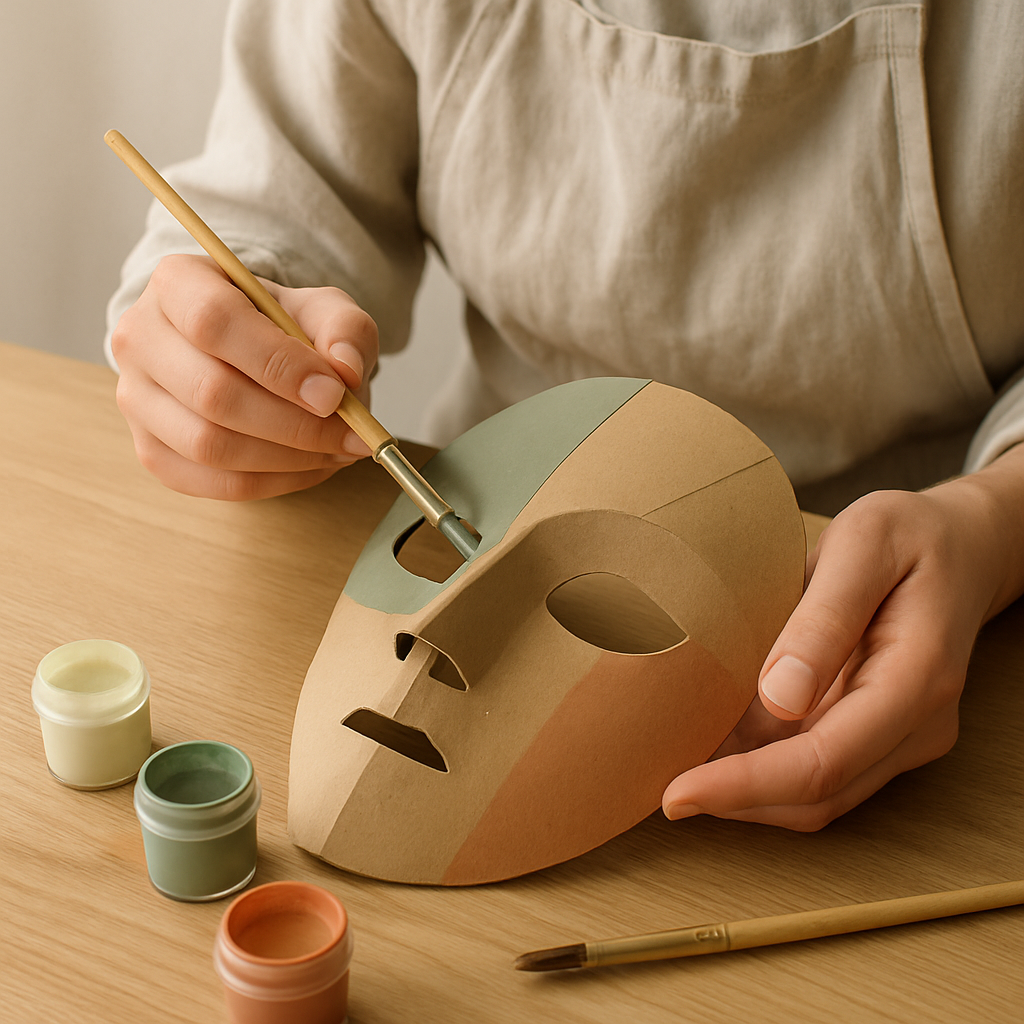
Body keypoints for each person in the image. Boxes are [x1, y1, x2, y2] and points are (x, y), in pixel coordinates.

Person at [106, 0, 1024, 831]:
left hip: (939, 596)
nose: (432, 642)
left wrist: (994, 522)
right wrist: (223, 340)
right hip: (479, 487)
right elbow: (269, 203)